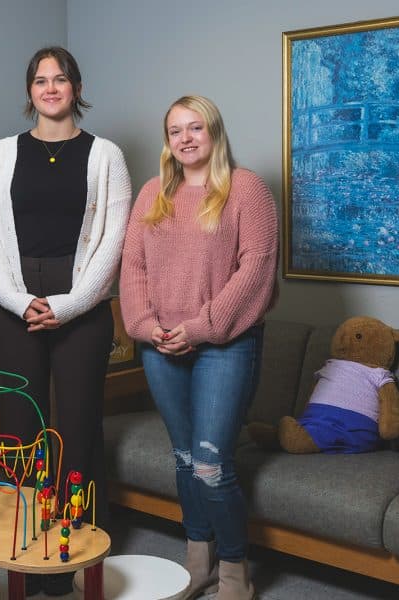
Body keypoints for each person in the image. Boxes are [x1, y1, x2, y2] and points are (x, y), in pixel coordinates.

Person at [0, 46, 131, 596]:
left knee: (77, 429)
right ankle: (24, 552)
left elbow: (112, 240)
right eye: (40, 80)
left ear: (76, 87)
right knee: (20, 429)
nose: (50, 88)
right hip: (15, 305)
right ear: (30, 92)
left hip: (82, 308)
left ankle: (73, 557)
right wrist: (18, 301)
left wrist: (66, 305)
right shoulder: (1, 153)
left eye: (59, 79)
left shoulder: (106, 154)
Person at [119, 95, 278, 600]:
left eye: (196, 128)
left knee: (212, 463)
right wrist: (144, 325)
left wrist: (202, 326)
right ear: (168, 142)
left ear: (214, 133)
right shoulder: (151, 194)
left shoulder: (245, 189)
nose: (186, 139)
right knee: (185, 457)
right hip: (159, 344)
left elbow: (256, 268)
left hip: (224, 343)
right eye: (175, 131)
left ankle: (234, 569)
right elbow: (134, 268)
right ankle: (198, 557)